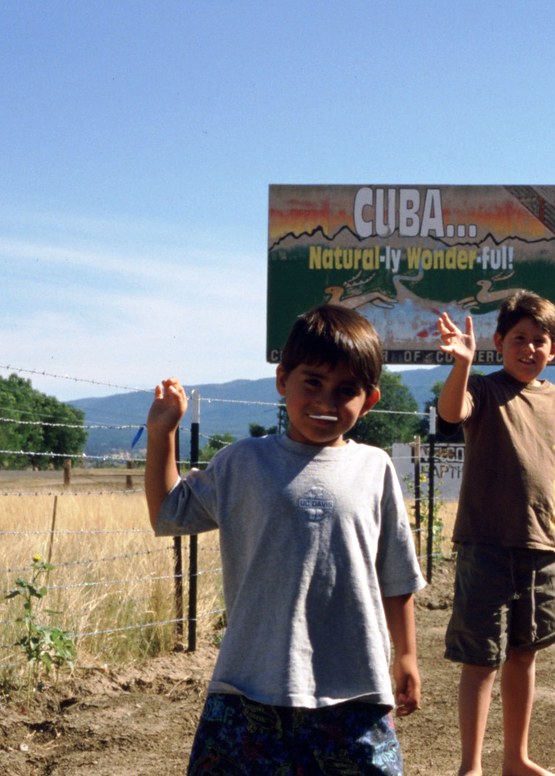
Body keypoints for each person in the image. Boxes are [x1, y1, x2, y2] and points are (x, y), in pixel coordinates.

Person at [145, 305, 425, 775]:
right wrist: (162, 432)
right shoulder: (242, 462)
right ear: (282, 380)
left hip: (354, 690)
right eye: (312, 382)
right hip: (249, 687)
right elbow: (169, 513)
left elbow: (396, 574)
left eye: (346, 390)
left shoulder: (375, 468)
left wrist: (408, 656)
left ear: (370, 400)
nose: (326, 401)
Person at [436, 291, 555, 776]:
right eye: (519, 339)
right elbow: (451, 413)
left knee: (524, 653)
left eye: (539, 341)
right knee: (480, 658)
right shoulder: (483, 390)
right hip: (485, 544)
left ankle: (516, 758)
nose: (529, 349)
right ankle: (471, 766)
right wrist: (462, 364)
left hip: (542, 546)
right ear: (499, 342)